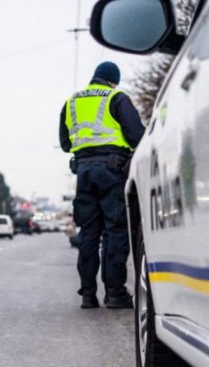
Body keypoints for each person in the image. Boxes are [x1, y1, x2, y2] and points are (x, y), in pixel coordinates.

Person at [59, 61, 145, 309]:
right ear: (113, 80)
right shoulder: (116, 98)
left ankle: (88, 294)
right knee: (115, 230)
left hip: (84, 172)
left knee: (88, 232)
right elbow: (137, 136)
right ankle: (115, 293)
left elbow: (65, 143)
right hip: (112, 171)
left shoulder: (71, 102)